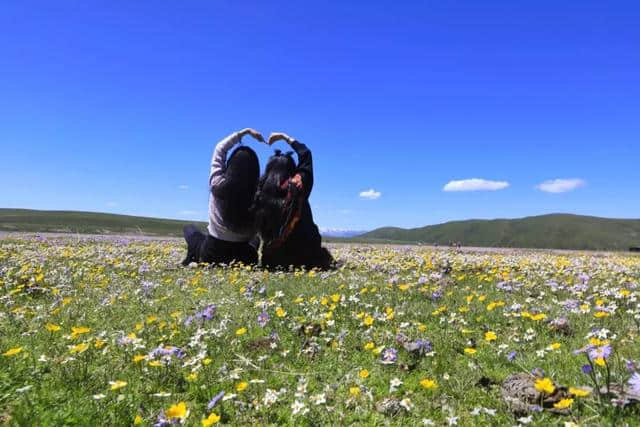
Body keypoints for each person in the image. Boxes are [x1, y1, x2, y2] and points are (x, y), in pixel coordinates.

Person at [182, 128, 264, 266]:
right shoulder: (259, 195)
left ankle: (190, 259)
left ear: (231, 165)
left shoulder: (217, 184)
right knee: (255, 240)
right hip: (245, 257)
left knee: (189, 229)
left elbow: (220, 149)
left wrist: (244, 133)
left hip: (213, 254)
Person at [252, 132, 333, 270]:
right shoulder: (299, 186)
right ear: (292, 169)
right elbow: (306, 154)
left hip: (273, 261)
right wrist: (285, 137)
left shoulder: (260, 192)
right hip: (307, 260)